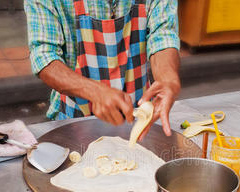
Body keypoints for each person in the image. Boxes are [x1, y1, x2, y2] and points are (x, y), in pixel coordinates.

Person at [24, 0, 181, 138]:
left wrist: (168, 79)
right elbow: (44, 55)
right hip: (73, 120)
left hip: (137, 117)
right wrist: (95, 91)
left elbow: (163, 35)